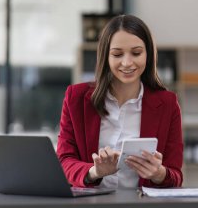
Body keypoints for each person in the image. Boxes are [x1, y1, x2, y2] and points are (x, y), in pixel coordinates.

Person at [56, 14, 183, 189]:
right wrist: (95, 171)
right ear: (106, 57)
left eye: (136, 53)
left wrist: (159, 174)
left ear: (148, 54)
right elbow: (64, 161)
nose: (127, 62)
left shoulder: (168, 104)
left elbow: (175, 175)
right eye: (117, 54)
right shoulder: (76, 98)